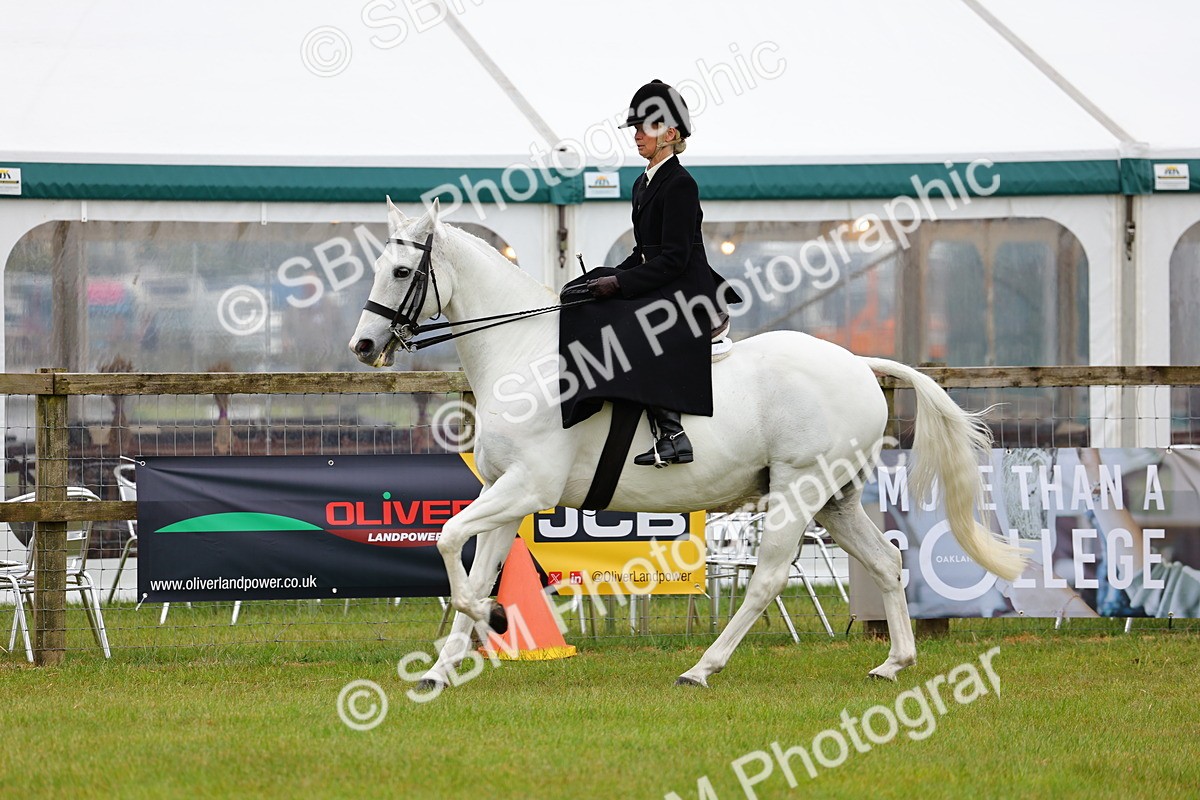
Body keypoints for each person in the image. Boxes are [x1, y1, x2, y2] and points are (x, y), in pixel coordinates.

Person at [581, 79, 739, 467]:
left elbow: (674, 258)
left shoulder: (681, 184)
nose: (636, 136)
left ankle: (673, 434)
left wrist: (619, 283)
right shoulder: (642, 182)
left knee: (640, 332)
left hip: (686, 287)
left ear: (669, 134)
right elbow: (643, 251)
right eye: (634, 129)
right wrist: (609, 275)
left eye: (643, 129)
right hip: (663, 275)